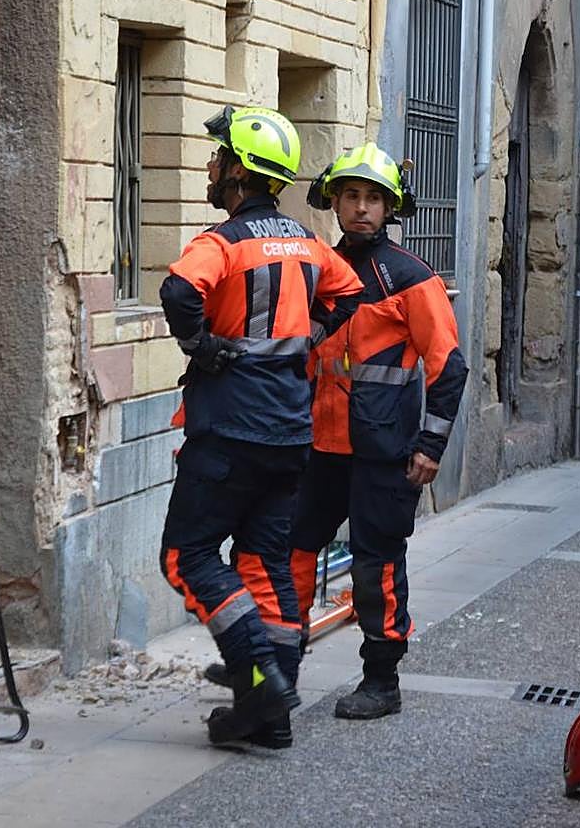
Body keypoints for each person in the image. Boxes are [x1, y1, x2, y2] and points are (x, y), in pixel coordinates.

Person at [158, 106, 364, 747]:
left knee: (187, 556)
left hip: (227, 432)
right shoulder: (306, 244)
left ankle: (257, 675)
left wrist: (202, 345)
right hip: (289, 435)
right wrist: (310, 338)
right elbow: (349, 292)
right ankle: (271, 714)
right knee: (264, 562)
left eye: (219, 157)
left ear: (240, 172)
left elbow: (177, 292)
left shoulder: (219, 242)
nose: (211, 165)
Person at [289, 142, 468, 720]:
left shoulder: (412, 278)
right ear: (334, 203)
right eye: (351, 196)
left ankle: (381, 681)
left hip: (383, 451)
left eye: (372, 198)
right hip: (317, 446)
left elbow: (449, 366)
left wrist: (431, 446)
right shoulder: (319, 271)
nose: (361, 208)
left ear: (390, 207)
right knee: (290, 553)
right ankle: (278, 670)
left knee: (376, 565)